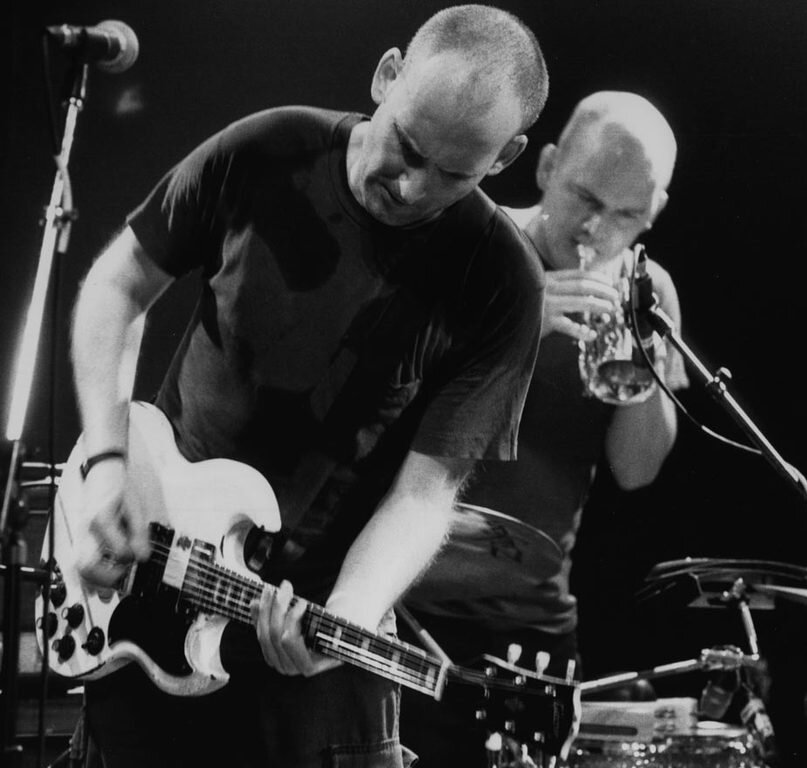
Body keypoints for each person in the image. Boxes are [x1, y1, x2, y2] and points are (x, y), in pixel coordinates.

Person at [68, 6, 548, 767]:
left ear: (506, 156)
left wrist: (351, 613)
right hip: (146, 583)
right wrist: (107, 464)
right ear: (387, 75)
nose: (411, 186)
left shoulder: (501, 281)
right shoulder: (269, 148)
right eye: (407, 146)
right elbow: (117, 286)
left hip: (315, 657)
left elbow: (425, 492)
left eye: (452, 175)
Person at [400, 91, 689, 766]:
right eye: (585, 197)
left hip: (532, 623)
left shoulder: (650, 289)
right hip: (404, 596)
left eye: (626, 215)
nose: (596, 229)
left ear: (654, 212)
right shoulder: (470, 243)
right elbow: (383, 408)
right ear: (547, 166)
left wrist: (643, 360)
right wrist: (517, 319)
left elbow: (636, 471)